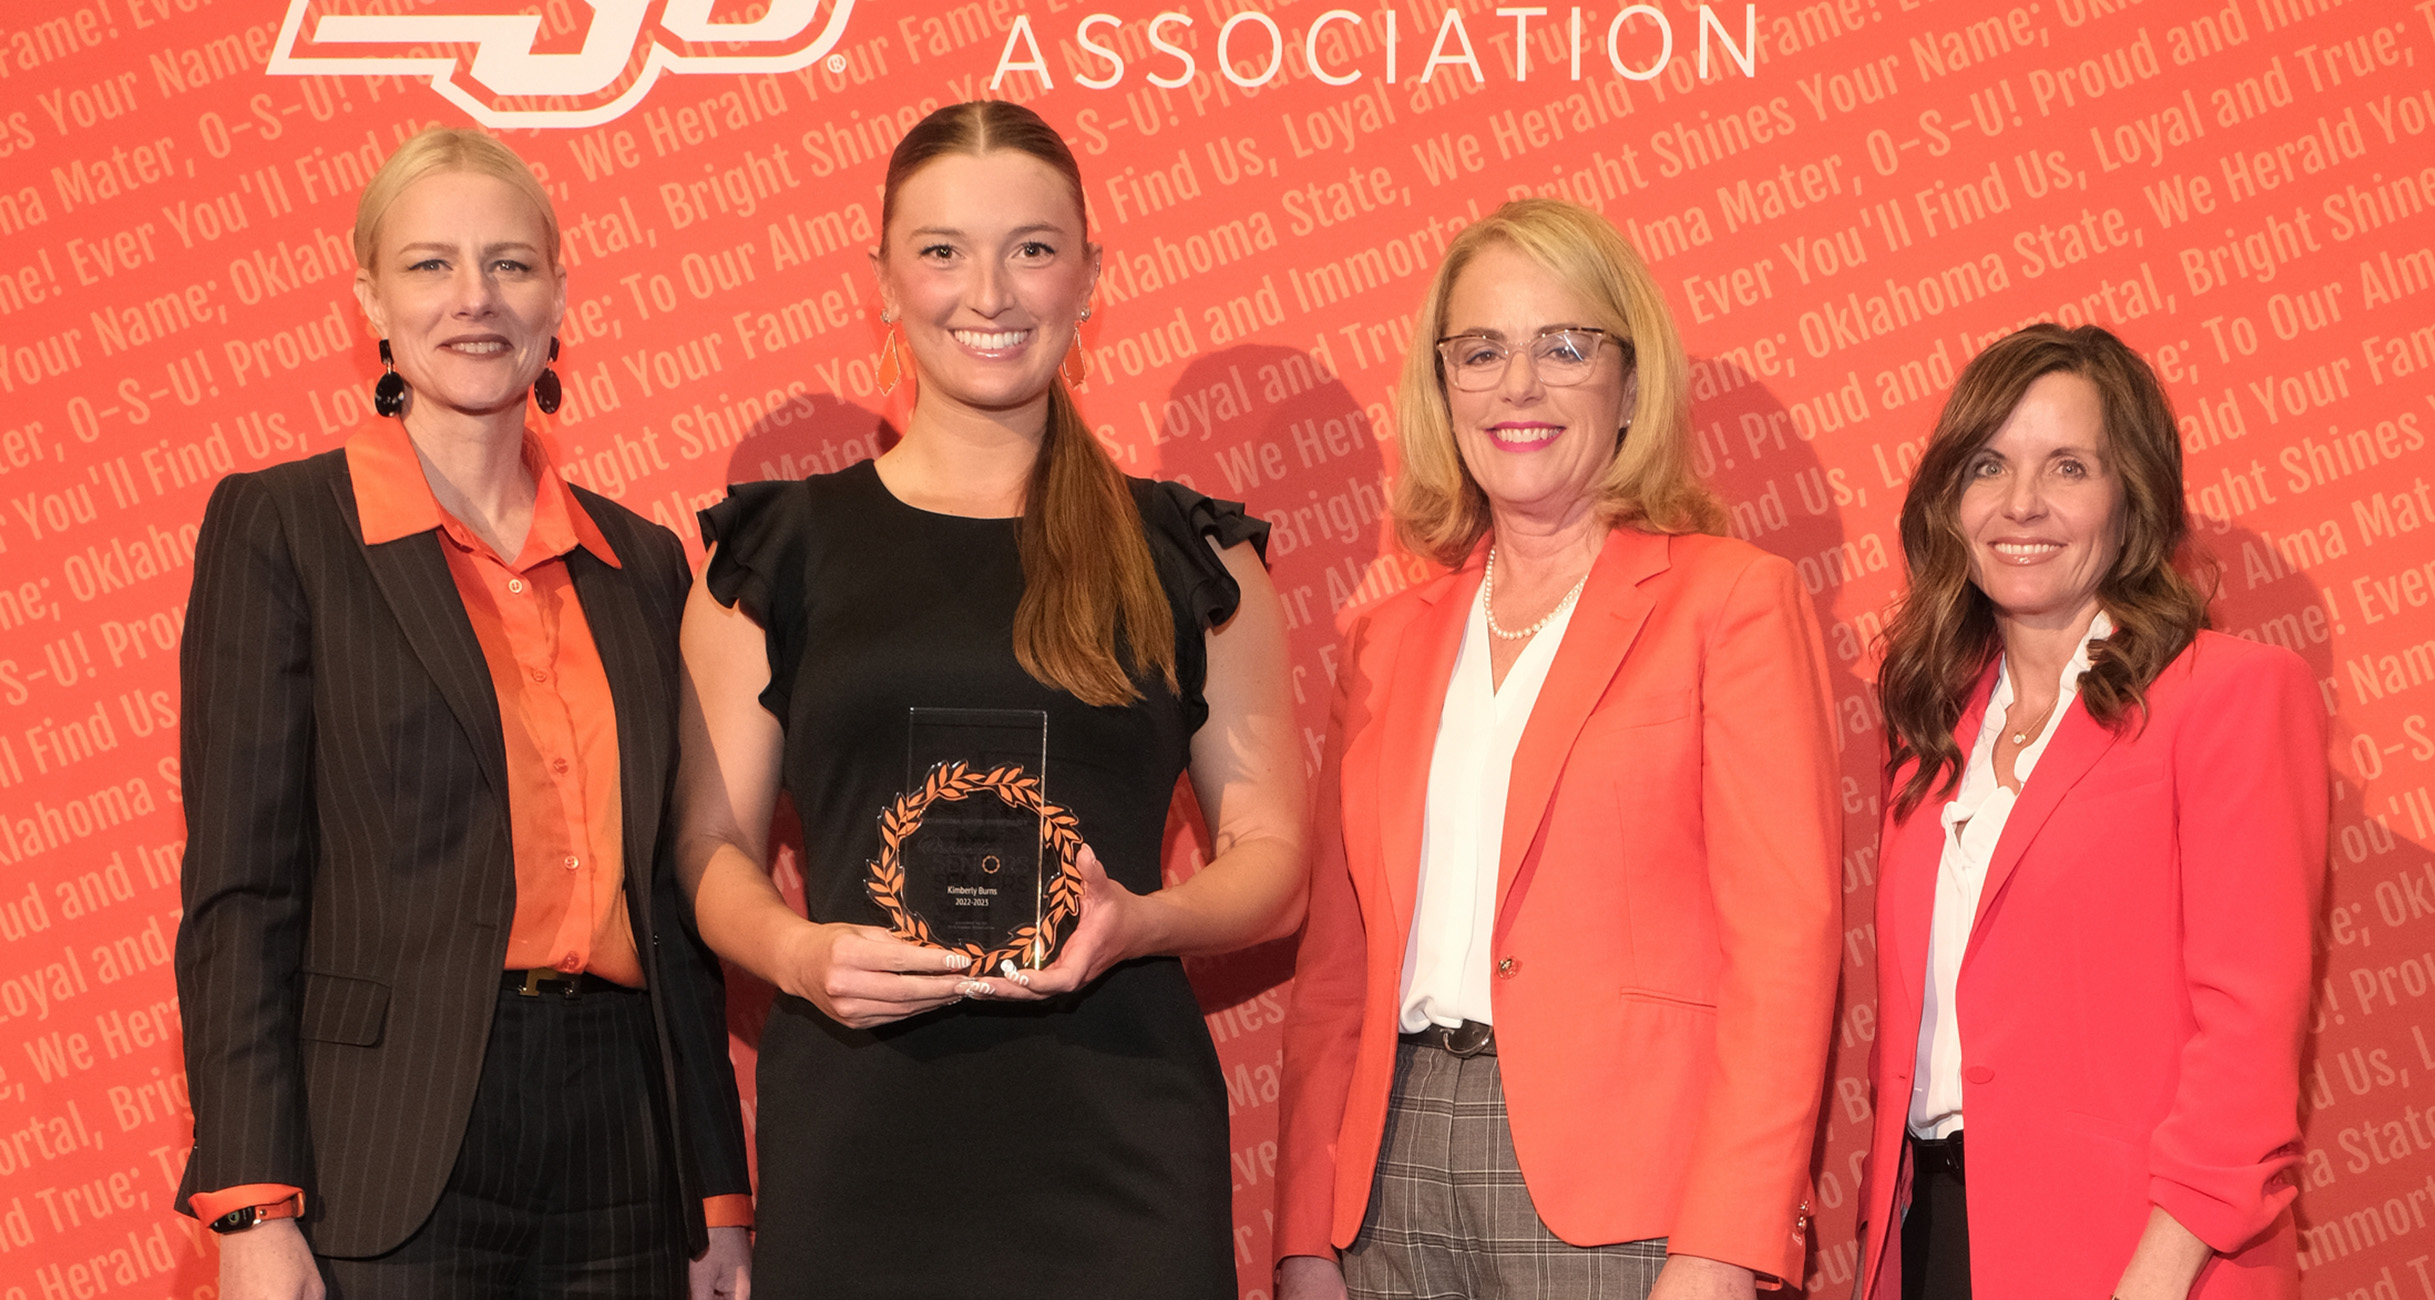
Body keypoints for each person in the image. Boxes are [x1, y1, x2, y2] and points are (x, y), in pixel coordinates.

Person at [673, 100, 1305, 1299]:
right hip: (861, 1136)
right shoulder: (775, 553)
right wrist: (800, 955)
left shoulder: (1190, 556)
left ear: (1090, 274)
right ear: (883, 279)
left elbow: (1274, 859)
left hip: (1119, 1140)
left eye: (1032, 246)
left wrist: (1145, 920)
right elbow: (708, 847)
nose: (990, 293)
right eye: (942, 250)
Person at [173, 126, 752, 1299]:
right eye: (431, 265)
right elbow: (242, 890)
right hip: (381, 1144)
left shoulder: (640, 561)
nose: (474, 299)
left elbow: (676, 901)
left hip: (624, 1137)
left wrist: (717, 1195)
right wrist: (250, 1201)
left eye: (510, 265)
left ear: (557, 296)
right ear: (370, 300)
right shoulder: (283, 527)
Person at [1274, 198, 1845, 1300]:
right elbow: (1333, 977)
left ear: (1632, 384)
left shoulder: (1729, 601)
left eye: (1564, 346)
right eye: (1480, 351)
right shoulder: (1386, 644)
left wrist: (1724, 1242)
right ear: (1442, 390)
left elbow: (1787, 945)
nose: (1518, 387)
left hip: (1634, 1196)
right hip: (1389, 1183)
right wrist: (1306, 1229)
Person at [1857, 324, 2326, 1299]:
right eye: (1987, 465)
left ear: (2130, 499)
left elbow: (2246, 1032)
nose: (2020, 503)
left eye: (2067, 466)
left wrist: (2154, 1276)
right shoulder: (1933, 730)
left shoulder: (2228, 697)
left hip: (2142, 1258)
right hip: (1936, 1237)